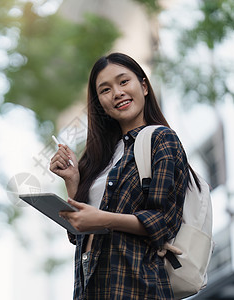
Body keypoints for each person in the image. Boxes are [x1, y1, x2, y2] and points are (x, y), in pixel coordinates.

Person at [50, 52, 198, 299]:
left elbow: (163, 221)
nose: (117, 92)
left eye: (123, 82)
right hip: (90, 287)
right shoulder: (97, 160)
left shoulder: (160, 139)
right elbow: (80, 235)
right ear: (100, 104)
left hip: (137, 288)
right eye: (105, 90)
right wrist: (72, 181)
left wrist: (103, 219)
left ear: (143, 86)